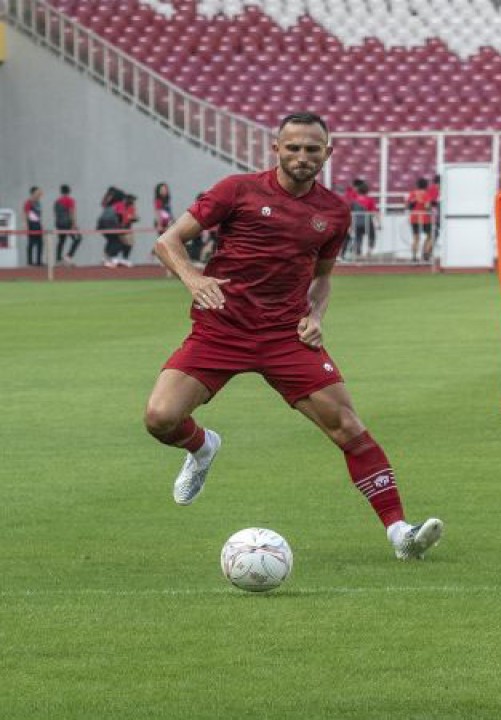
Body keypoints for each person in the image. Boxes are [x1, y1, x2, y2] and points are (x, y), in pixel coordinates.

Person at [144, 112, 443, 561]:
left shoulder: (333, 213)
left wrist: (317, 314)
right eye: (294, 147)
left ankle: (400, 532)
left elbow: (322, 279)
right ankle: (202, 446)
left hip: (286, 336)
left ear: (328, 152)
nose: (302, 157)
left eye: (312, 149)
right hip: (220, 329)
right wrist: (192, 278)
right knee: (160, 418)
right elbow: (169, 241)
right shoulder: (237, 190)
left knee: (348, 428)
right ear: (276, 149)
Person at [406, 176, 439, 264]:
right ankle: (426, 254)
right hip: (425, 218)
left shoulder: (412, 193)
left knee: (416, 238)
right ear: (426, 185)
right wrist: (431, 210)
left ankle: (414, 257)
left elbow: (408, 205)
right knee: (430, 236)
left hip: (414, 217)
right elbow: (427, 206)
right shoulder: (426, 194)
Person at [54, 185, 82, 267]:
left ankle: (58, 259)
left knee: (61, 241)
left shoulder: (57, 201)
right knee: (78, 238)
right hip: (68, 223)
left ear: (61, 191)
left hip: (59, 223)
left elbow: (56, 213)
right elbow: (71, 212)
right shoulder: (70, 200)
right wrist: (74, 224)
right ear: (69, 191)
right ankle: (68, 256)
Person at [99, 187, 124, 267]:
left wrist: (108, 194)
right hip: (111, 225)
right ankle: (111, 258)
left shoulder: (108, 204)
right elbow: (120, 216)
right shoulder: (119, 204)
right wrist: (120, 226)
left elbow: (103, 203)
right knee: (117, 243)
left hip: (101, 225)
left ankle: (105, 258)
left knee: (111, 241)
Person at [22, 186, 45, 267]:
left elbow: (38, 215)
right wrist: (26, 226)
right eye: (37, 192)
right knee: (31, 243)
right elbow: (25, 214)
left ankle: (39, 261)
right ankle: (30, 262)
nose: (39, 194)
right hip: (31, 225)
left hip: (38, 224)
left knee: (40, 243)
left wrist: (40, 224)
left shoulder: (38, 202)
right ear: (33, 193)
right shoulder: (29, 202)